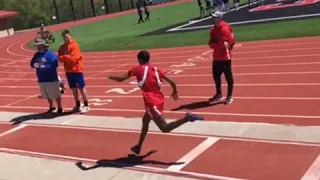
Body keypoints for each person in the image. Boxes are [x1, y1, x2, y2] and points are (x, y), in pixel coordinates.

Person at [108, 50, 204, 154]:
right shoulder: (156, 69)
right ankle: (138, 146)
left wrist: (110, 76)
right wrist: (175, 91)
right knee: (145, 121)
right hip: (158, 98)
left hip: (151, 102)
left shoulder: (138, 69)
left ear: (140, 60)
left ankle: (186, 118)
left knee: (165, 128)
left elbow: (121, 79)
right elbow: (172, 81)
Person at [58, 29, 90, 113]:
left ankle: (86, 105)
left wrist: (65, 57)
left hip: (77, 70)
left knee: (81, 87)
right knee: (73, 89)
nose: (66, 39)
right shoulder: (62, 47)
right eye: (64, 37)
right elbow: (60, 58)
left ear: (70, 36)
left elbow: (74, 59)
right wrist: (67, 57)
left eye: (67, 37)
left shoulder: (75, 45)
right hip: (68, 71)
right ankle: (77, 105)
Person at [208, 11, 235, 104]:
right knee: (216, 77)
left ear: (219, 18)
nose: (213, 19)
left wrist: (218, 44)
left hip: (225, 58)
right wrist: (217, 44)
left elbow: (227, 44)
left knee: (228, 77)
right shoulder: (213, 30)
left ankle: (230, 96)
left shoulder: (225, 29)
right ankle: (219, 94)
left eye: (215, 17)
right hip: (216, 57)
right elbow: (211, 44)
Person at [30, 39, 63, 113]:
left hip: (51, 78)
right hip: (41, 78)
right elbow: (32, 63)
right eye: (37, 45)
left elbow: (55, 64)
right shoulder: (36, 55)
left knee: (55, 94)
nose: (37, 47)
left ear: (43, 46)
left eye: (38, 45)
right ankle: (51, 107)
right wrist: (35, 64)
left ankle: (60, 107)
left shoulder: (50, 54)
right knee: (47, 94)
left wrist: (45, 67)